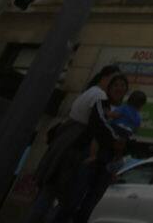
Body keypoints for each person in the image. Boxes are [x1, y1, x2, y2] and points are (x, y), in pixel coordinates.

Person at [26, 65, 123, 223]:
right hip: (73, 145)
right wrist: (115, 141)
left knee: (49, 192)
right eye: (115, 81)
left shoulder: (89, 92)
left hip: (65, 141)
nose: (116, 86)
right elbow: (99, 123)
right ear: (105, 77)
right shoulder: (99, 96)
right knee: (64, 195)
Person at [54, 72, 130, 223]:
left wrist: (119, 153)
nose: (119, 88)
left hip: (108, 161)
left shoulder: (125, 111)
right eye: (116, 85)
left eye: (122, 86)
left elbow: (128, 134)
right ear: (109, 88)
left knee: (92, 201)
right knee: (75, 197)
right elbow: (99, 124)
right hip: (91, 155)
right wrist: (116, 139)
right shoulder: (102, 103)